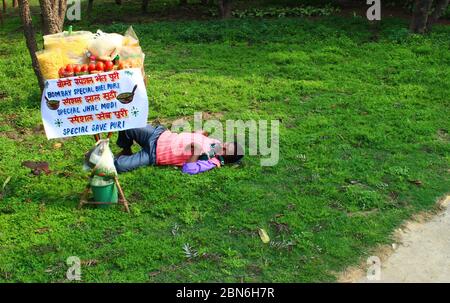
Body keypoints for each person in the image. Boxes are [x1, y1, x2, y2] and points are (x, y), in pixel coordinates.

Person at [113, 124, 244, 174]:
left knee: (117, 166)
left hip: (154, 153)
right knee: (128, 123)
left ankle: (109, 160)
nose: (223, 146)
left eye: (226, 150)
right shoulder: (215, 143)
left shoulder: (210, 161)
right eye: (227, 144)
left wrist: (197, 152)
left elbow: (188, 169)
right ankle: (126, 149)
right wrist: (198, 133)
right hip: (158, 135)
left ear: (224, 159)